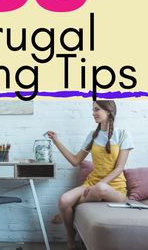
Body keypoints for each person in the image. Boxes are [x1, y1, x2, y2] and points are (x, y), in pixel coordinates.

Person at [47, 100, 134, 250]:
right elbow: (75, 161)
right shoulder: (92, 136)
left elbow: (119, 168)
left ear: (108, 111)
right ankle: (70, 238)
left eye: (97, 109)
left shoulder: (123, 134)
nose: (93, 113)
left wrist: (102, 184)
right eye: (93, 110)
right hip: (92, 184)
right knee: (64, 200)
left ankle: (71, 209)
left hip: (115, 189)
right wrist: (56, 141)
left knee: (100, 188)